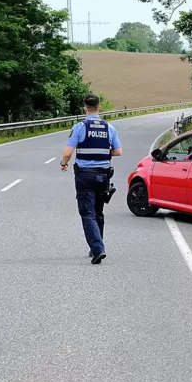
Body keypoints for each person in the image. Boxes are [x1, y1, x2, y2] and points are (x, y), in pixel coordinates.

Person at [59, 94, 123, 264]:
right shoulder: (109, 128)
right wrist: (102, 152)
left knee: (87, 212)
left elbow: (67, 153)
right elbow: (118, 152)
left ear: (85, 108)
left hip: (84, 175)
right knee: (98, 211)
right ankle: (97, 245)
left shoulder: (80, 127)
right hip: (103, 175)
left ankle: (97, 249)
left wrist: (63, 163)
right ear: (99, 108)